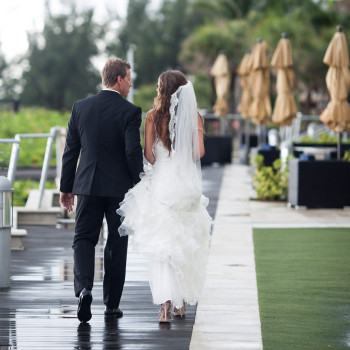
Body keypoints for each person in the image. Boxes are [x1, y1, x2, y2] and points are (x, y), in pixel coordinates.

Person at [117, 70, 211, 323]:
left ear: (161, 90)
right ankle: (181, 304)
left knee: (162, 247)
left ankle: (165, 307)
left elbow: (148, 154)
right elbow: (199, 152)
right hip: (186, 186)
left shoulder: (152, 116)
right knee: (184, 242)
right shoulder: (195, 116)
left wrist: (163, 161)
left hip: (162, 184)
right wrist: (180, 156)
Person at [60, 58, 143, 323]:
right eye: (129, 79)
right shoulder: (130, 111)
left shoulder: (80, 108)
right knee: (116, 244)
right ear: (119, 79)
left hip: (86, 186)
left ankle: (84, 289)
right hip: (119, 189)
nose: (130, 84)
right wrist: (139, 183)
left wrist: (66, 188)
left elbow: (70, 152)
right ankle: (111, 305)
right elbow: (132, 152)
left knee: (83, 239)